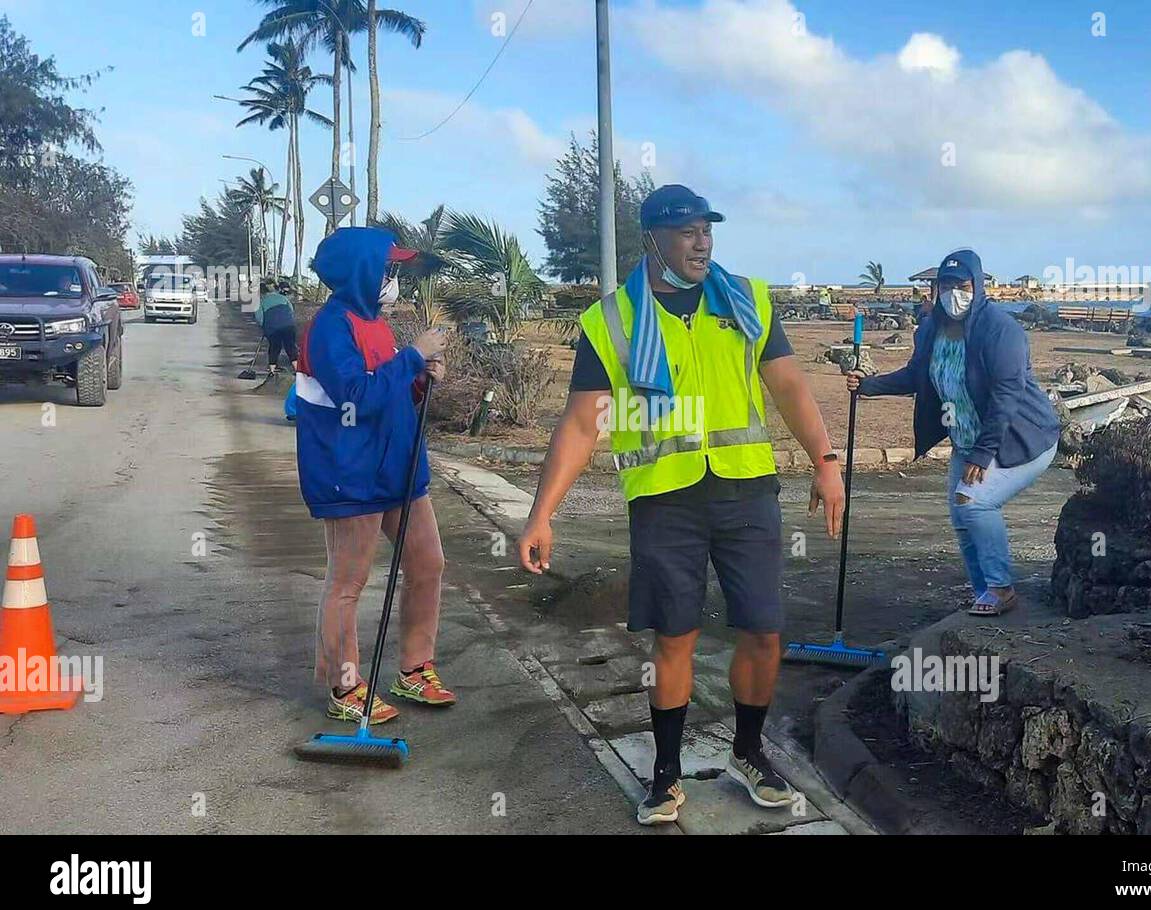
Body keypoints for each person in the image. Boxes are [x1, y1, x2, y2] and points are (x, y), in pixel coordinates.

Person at [518, 185, 845, 825]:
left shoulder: (747, 300)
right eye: (687, 231)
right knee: (676, 637)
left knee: (763, 629)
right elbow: (583, 424)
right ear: (653, 240)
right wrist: (541, 513)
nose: (702, 242)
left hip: (745, 487)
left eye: (707, 229)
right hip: (665, 499)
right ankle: (666, 774)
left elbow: (788, 385)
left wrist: (826, 462)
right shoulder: (611, 320)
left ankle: (748, 753)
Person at [294, 227, 454, 724]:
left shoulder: (376, 325)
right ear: (361, 271)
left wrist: (420, 378)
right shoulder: (329, 328)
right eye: (386, 269)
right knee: (348, 581)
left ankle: (414, 668)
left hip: (399, 470)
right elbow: (354, 398)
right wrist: (410, 357)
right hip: (351, 475)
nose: (392, 278)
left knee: (428, 564)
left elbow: (386, 393)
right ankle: (345, 687)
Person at [846, 248, 1060, 617]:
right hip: (968, 440)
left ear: (977, 286)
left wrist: (982, 454)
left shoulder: (1001, 330)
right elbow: (916, 375)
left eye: (961, 285)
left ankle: (1001, 588)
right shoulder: (931, 330)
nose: (953, 293)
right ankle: (984, 592)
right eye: (945, 285)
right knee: (962, 519)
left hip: (1021, 439)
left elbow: (1006, 398)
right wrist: (869, 386)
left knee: (974, 504)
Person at [255, 280, 298, 375]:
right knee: (290, 346)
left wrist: (264, 326)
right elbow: (291, 310)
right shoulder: (283, 298)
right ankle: (297, 369)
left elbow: (259, 317)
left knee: (274, 347)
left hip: (273, 328)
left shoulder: (262, 301)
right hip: (289, 325)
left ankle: (272, 370)